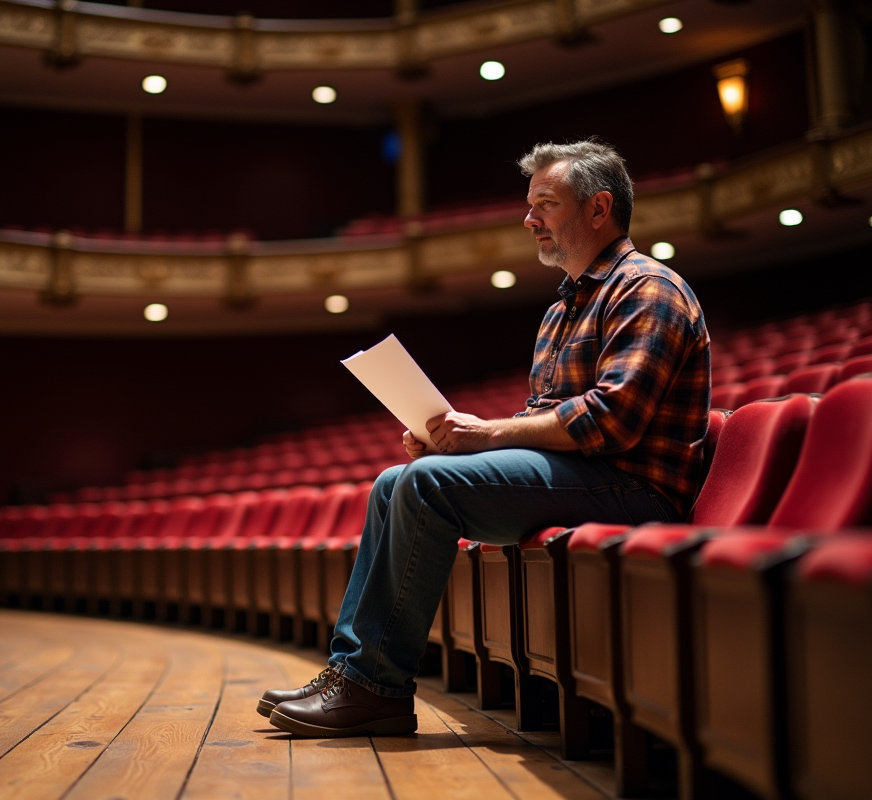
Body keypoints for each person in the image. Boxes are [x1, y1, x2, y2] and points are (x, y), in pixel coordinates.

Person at [258, 139, 711, 738]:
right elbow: (544, 420)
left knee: (423, 486)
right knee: (395, 481)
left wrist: (486, 434)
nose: (530, 220)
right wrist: (452, 439)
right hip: (588, 479)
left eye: (545, 205)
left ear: (599, 209)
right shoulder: (563, 309)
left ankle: (375, 687)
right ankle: (352, 671)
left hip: (636, 488)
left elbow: (612, 420)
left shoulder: (648, 288)